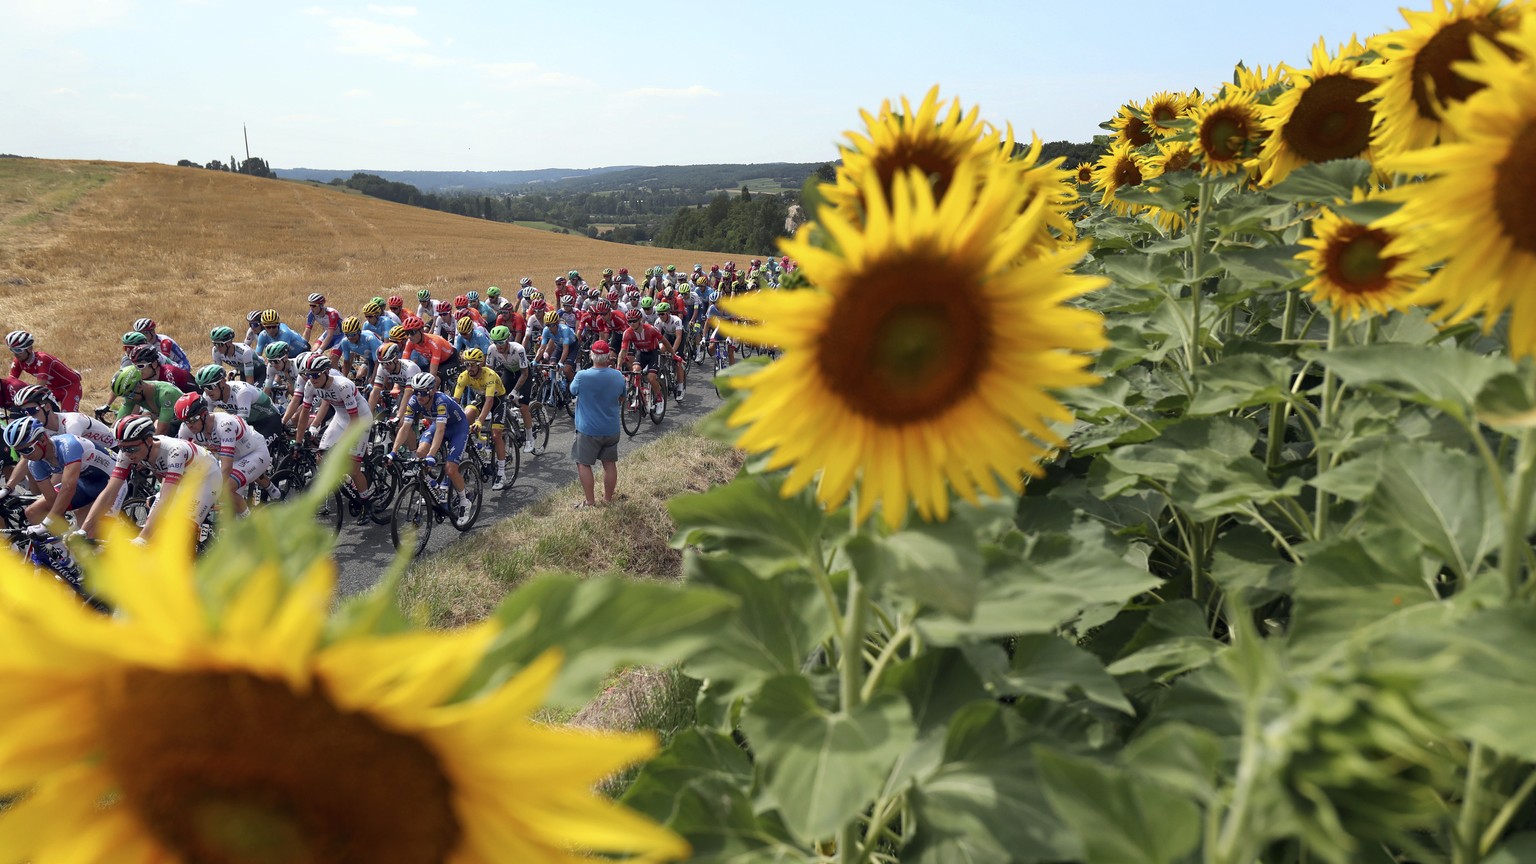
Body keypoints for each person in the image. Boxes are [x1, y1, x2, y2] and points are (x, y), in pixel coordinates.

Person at [83, 415, 222, 545]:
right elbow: (109, 492)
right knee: (154, 530)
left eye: (132, 448)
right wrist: (83, 530)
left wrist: (142, 539)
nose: (127, 454)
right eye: (122, 448)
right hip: (182, 480)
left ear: (149, 441)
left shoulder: (174, 452)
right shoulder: (128, 451)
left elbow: (166, 499)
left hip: (206, 479)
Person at [568, 340, 625, 509]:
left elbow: (572, 391)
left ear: (591, 355)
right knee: (609, 463)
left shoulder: (582, 376)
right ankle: (608, 499)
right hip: (611, 428)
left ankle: (590, 502)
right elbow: (622, 397)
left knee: (583, 463)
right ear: (608, 357)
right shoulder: (617, 376)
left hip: (588, 429)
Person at [6, 331, 82, 412]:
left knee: (68, 419)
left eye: (18, 350)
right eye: (12, 350)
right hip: (53, 389)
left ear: (29, 348)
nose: (15, 354)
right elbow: (9, 382)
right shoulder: (18, 361)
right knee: (42, 415)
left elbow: (39, 386)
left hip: (70, 387)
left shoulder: (43, 359)